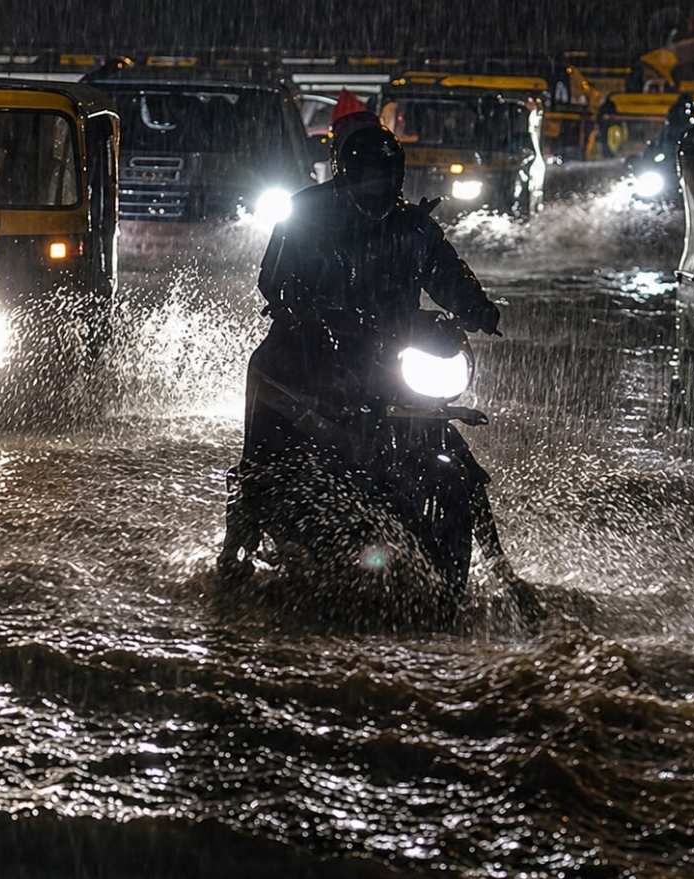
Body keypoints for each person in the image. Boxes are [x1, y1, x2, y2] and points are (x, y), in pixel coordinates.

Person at [216, 93, 504, 581]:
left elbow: (446, 271)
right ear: (345, 174)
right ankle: (236, 546)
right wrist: (301, 308)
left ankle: (498, 566)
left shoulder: (413, 225)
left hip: (390, 355)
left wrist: (476, 306)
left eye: (386, 175)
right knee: (265, 439)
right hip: (308, 351)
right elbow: (273, 277)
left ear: (399, 177)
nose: (377, 186)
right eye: (367, 174)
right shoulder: (306, 212)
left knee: (452, 449)